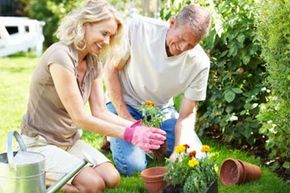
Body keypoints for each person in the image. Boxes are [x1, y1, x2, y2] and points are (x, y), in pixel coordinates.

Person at [20, 0, 166, 193]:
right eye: (104, 33)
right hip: (39, 144)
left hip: (68, 142)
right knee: (93, 185)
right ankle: (32, 175)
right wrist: (130, 136)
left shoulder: (93, 62)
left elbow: (100, 111)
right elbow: (80, 117)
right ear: (85, 25)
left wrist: (137, 128)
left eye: (111, 36)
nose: (106, 41)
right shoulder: (60, 56)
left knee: (111, 178)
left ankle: (56, 173)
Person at [105, 3, 211, 176]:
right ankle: (112, 134)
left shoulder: (200, 63)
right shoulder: (139, 28)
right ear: (172, 23)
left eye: (191, 45)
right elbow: (111, 69)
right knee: (133, 167)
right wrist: (127, 120)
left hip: (160, 111)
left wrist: (179, 149)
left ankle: (146, 139)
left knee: (196, 157)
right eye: (182, 39)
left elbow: (187, 114)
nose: (183, 48)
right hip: (124, 104)